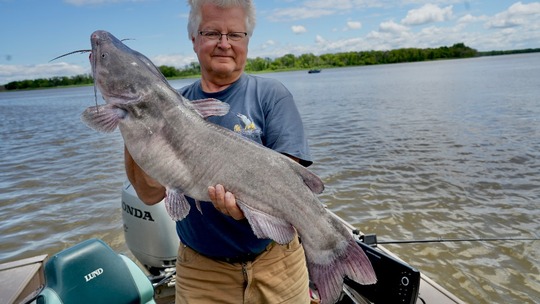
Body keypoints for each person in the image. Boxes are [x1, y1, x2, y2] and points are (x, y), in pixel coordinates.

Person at [124, 0, 314, 303]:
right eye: (212, 32)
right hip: (202, 273)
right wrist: (136, 123)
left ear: (247, 41)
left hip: (278, 264)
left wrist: (249, 211)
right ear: (194, 39)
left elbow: (289, 185)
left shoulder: (272, 95)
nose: (224, 44)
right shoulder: (171, 103)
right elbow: (149, 195)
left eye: (235, 35)